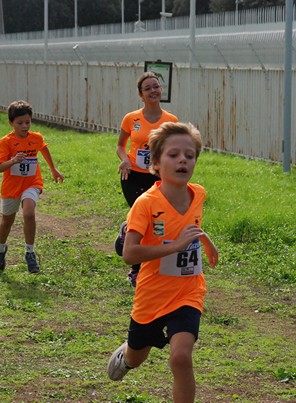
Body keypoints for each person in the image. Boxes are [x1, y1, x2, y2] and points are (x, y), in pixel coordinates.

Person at [107, 122, 219, 403]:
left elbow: (189, 227)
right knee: (138, 354)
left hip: (187, 290)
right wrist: (178, 246)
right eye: (173, 155)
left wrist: (205, 241)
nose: (183, 160)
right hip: (152, 293)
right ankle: (127, 357)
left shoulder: (199, 194)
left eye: (189, 155)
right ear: (155, 162)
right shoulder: (145, 204)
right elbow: (130, 254)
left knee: (181, 358)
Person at [115, 71, 179, 287]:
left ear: (161, 90)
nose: (153, 90)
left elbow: (174, 149)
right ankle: (136, 270)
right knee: (144, 221)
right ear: (141, 95)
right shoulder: (131, 118)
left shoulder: (171, 121)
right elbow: (120, 146)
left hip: (157, 179)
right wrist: (124, 160)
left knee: (156, 222)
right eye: (148, 88)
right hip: (132, 176)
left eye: (156, 86)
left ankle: (128, 230)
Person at [0, 100, 64, 273]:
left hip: (32, 183)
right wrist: (13, 160)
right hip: (11, 187)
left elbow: (44, 149)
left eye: (27, 122)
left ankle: (29, 253)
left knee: (29, 213)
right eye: (20, 123)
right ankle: (0, 250)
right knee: (7, 221)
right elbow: (0, 167)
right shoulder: (6, 142)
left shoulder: (36, 138)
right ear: (11, 123)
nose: (25, 126)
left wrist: (53, 169)